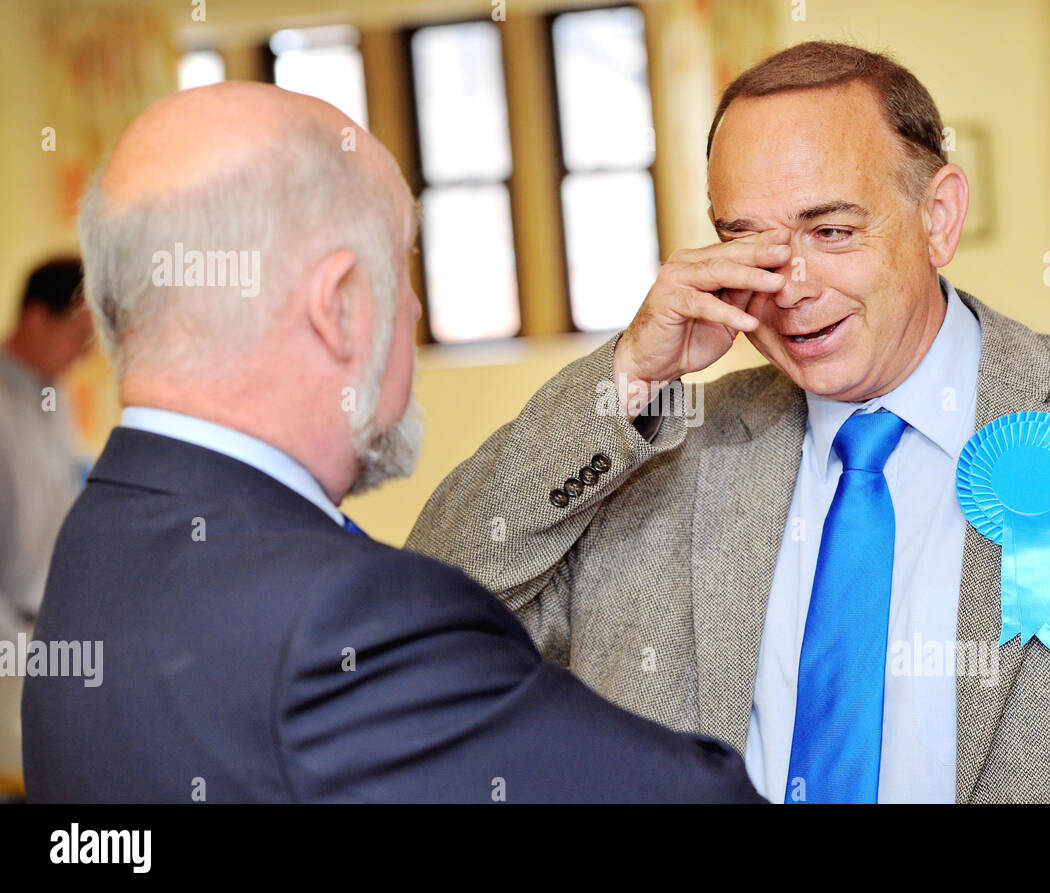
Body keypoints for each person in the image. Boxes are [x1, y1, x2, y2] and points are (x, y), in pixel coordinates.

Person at [406, 41, 1050, 803]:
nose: (790, 288)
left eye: (831, 231)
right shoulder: (654, 450)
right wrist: (626, 377)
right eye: (749, 240)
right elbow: (422, 633)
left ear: (938, 217)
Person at [20, 82, 762, 804]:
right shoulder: (344, 616)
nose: (410, 306)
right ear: (338, 306)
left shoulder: (100, 534)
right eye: (399, 266)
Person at [0, 258, 92, 646]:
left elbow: (69, 481)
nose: (86, 354)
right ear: (38, 319)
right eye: (79, 335)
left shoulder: (55, 393)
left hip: (48, 626)